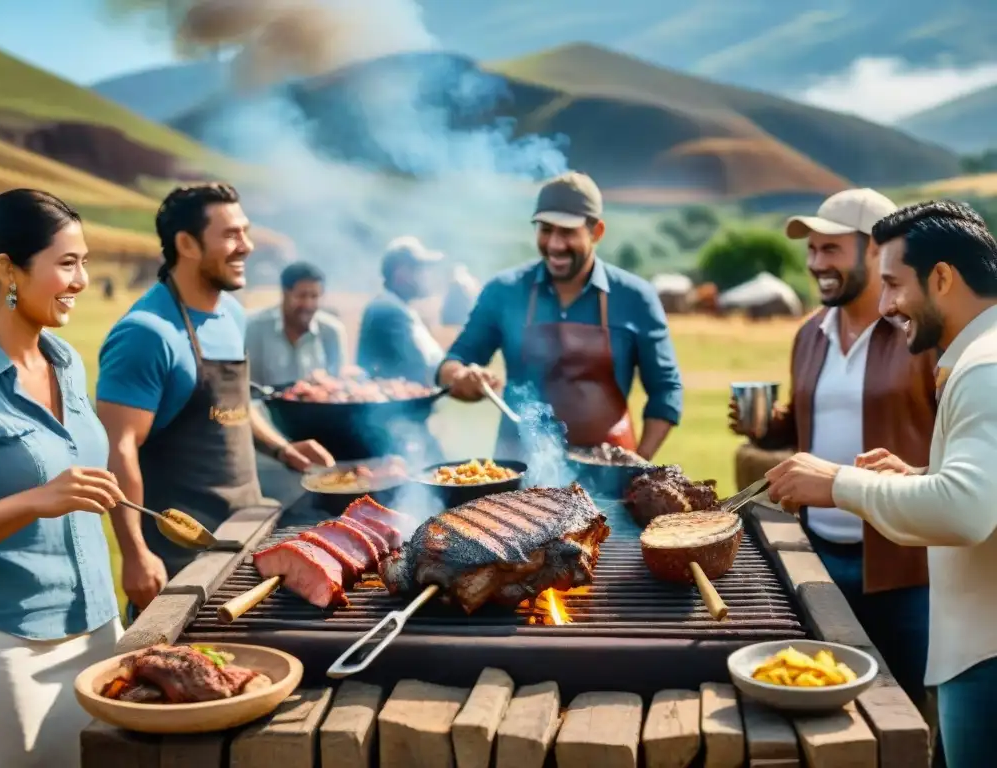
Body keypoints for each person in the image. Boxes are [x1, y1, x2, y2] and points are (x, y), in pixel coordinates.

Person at [764, 200, 997, 767]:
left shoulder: (983, 367)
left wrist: (838, 482)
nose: (889, 304)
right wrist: (922, 477)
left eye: (895, 283)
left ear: (942, 277)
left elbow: (966, 512)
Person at [729, 188, 936, 712]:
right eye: (813, 250)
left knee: (904, 708)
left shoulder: (918, 335)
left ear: (876, 251)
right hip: (816, 554)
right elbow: (810, 424)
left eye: (831, 249)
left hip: (903, 565)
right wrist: (768, 427)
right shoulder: (810, 334)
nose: (816, 263)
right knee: (823, 698)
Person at [96, 183, 333, 617]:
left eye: (245, 231)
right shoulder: (147, 333)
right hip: (180, 563)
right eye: (230, 235)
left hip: (245, 536)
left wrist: (281, 448)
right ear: (186, 243)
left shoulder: (230, 313)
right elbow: (118, 448)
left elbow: (234, 405)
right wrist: (133, 553)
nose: (246, 245)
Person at [0, 190, 124, 767]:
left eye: (85, 261)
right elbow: (48, 494)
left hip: (99, 630)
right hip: (6, 649)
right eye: (67, 263)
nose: (83, 279)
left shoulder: (66, 360)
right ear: (7, 268)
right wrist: (38, 500)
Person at [438, 171, 682, 461]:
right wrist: (462, 377)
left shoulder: (636, 297)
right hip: (519, 471)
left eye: (567, 232)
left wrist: (638, 466)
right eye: (545, 230)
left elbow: (666, 390)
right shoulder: (504, 291)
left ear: (597, 232)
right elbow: (450, 365)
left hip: (609, 473)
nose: (554, 244)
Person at [357, 236, 446, 385]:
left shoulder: (399, 307)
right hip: (394, 406)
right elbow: (420, 366)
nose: (426, 276)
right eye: (420, 269)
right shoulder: (388, 309)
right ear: (401, 272)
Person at [246, 261, 348, 385]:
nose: (308, 304)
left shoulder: (332, 331)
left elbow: (336, 383)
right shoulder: (255, 326)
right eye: (301, 296)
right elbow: (249, 384)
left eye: (314, 296)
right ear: (284, 294)